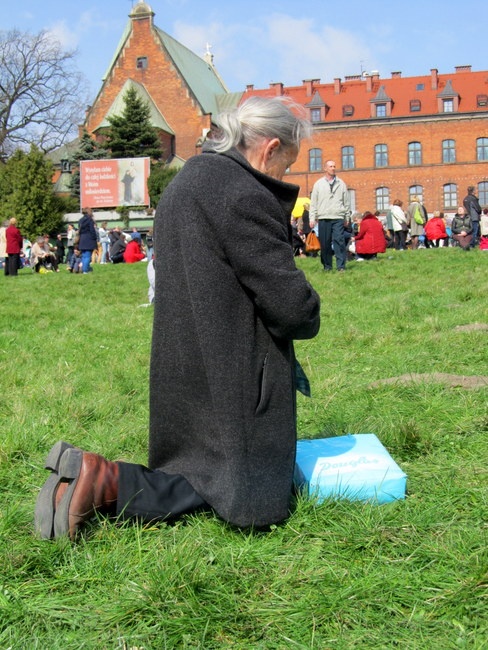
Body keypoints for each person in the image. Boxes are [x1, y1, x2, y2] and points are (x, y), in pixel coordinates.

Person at [35, 96, 321, 541]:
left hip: (185, 353)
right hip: (235, 367)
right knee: (236, 483)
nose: (286, 173)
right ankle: (102, 480)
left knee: (201, 473)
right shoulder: (245, 193)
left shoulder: (188, 182)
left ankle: (91, 483)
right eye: (289, 160)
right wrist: (309, 307)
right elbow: (290, 307)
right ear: (269, 148)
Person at [310, 160, 351, 272]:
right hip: (323, 217)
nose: (333, 168)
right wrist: (312, 218)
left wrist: (347, 217)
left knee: (339, 241)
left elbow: (346, 202)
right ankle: (327, 266)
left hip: (338, 216)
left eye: (334, 166)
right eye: (331, 166)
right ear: (325, 168)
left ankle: (341, 266)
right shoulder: (318, 184)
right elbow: (313, 202)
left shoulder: (341, 183)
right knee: (325, 243)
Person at [78, 208, 98, 273]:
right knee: (87, 256)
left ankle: (85, 269)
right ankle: (85, 270)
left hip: (82, 239)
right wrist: (95, 238)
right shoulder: (90, 220)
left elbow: (79, 231)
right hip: (88, 239)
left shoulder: (80, 220)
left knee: (83, 256)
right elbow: (92, 230)